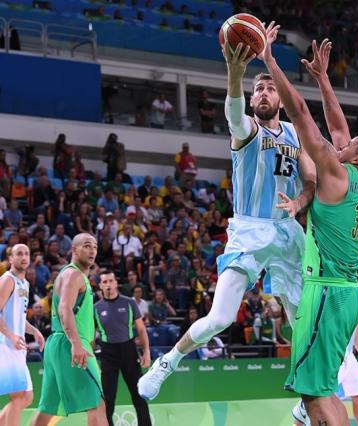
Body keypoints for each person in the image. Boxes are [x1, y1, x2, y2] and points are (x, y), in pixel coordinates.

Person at [137, 28, 317, 399]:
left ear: (280, 98)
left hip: (287, 232)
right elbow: (233, 114)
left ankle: (308, 394)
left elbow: (311, 180)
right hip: (249, 231)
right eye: (258, 89)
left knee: (303, 319)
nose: (263, 93)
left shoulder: (295, 135)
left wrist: (301, 202)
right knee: (219, 318)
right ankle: (167, 362)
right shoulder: (246, 130)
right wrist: (235, 74)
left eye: (270, 89)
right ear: (252, 99)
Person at [263, 30, 358, 424]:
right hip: (346, 293)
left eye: (349, 146)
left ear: (356, 158)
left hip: (326, 291)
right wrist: (322, 78)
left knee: (313, 395)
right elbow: (338, 129)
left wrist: (270, 61)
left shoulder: (335, 173)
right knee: (324, 389)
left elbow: (300, 113)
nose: (341, 144)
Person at [31, 234, 108, 426]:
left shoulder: (75, 276)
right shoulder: (73, 274)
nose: (92, 250)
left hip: (59, 343)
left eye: (95, 247)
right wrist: (76, 344)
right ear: (74, 249)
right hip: (69, 342)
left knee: (47, 409)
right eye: (87, 246)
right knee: (97, 403)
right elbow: (64, 309)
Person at [94, 270, 151, 426]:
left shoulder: (129, 303)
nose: (108, 285)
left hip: (129, 351)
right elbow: (91, 338)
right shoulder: (96, 308)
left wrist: (146, 352)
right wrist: (94, 363)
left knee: (139, 395)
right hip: (108, 354)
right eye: (104, 282)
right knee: (108, 399)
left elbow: (141, 329)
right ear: (100, 286)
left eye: (110, 281)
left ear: (116, 283)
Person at [0, 244, 45, 426]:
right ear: (11, 259)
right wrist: (10, 335)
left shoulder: (24, 283)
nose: (24, 257)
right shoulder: (7, 280)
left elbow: (18, 317)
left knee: (27, 397)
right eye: (19, 254)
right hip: (5, 345)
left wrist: (34, 331)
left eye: (26, 253)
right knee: (19, 396)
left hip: (17, 346)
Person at [293, 328, 358, 426]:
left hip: (349, 356)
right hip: (330, 355)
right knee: (321, 395)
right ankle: (302, 408)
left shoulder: (354, 317)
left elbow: (355, 331)